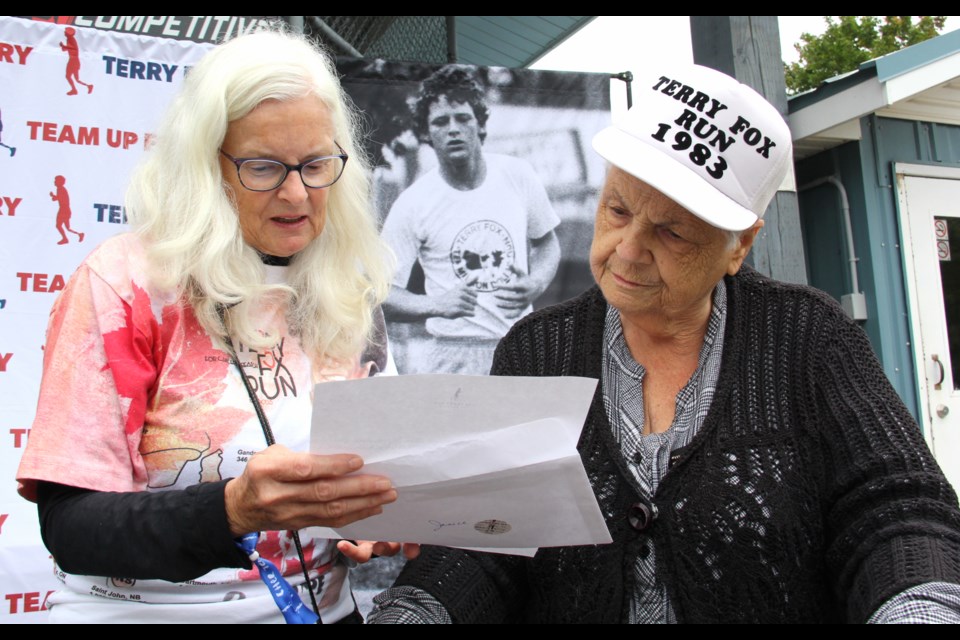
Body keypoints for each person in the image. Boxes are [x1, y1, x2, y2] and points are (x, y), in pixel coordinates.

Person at [369, 64, 960, 623]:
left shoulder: (807, 338)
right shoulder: (534, 352)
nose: (626, 249)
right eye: (617, 209)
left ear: (739, 245)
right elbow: (486, 538)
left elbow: (896, 509)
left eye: (672, 231)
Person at [17, 31, 415, 624]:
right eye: (263, 167)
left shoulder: (347, 289)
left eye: (315, 164)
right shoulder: (124, 285)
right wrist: (231, 510)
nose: (296, 192)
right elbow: (71, 527)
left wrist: (384, 520)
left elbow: (384, 471)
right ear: (204, 167)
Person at [380, 64, 561, 375]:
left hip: (519, 345)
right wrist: (435, 304)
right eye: (440, 122)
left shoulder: (517, 175)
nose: (453, 129)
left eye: (463, 118)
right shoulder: (413, 203)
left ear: (480, 126)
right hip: (451, 355)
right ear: (427, 134)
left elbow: (547, 244)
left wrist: (536, 283)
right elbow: (381, 294)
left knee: (523, 426)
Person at [50, 175, 84, 244]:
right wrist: (53, 196)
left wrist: (53, 196)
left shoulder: (61, 189)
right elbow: (58, 198)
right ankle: (79, 234)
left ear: (60, 182)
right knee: (67, 228)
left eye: (56, 180)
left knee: (59, 225)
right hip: (65, 209)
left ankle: (65, 239)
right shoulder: (60, 189)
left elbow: (59, 198)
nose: (54, 182)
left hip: (63, 209)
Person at [60, 26, 93, 95]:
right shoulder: (70, 39)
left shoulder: (70, 40)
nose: (64, 32)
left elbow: (70, 49)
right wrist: (63, 47)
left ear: (67, 33)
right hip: (74, 60)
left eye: (65, 31)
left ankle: (74, 90)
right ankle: (87, 86)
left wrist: (63, 46)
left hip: (73, 61)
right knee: (76, 79)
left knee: (68, 76)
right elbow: (68, 49)